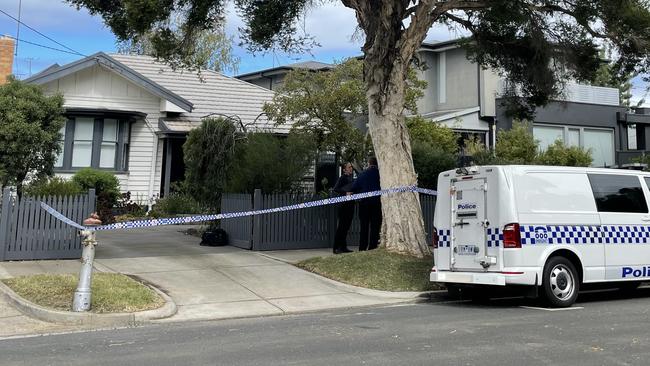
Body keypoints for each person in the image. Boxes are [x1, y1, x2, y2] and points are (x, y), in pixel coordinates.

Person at [352, 157, 382, 251]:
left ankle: (362, 247)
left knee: (364, 226)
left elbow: (354, 187)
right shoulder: (381, 175)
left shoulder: (362, 174)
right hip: (377, 203)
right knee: (375, 226)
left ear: (369, 163)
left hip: (364, 203)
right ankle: (372, 247)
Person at [332, 162, 355, 254]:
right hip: (343, 206)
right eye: (349, 167)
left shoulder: (352, 179)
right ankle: (336, 248)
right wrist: (345, 193)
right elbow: (336, 188)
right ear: (344, 169)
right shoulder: (342, 178)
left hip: (350, 205)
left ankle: (343, 247)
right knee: (341, 227)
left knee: (346, 227)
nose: (351, 169)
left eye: (351, 167)